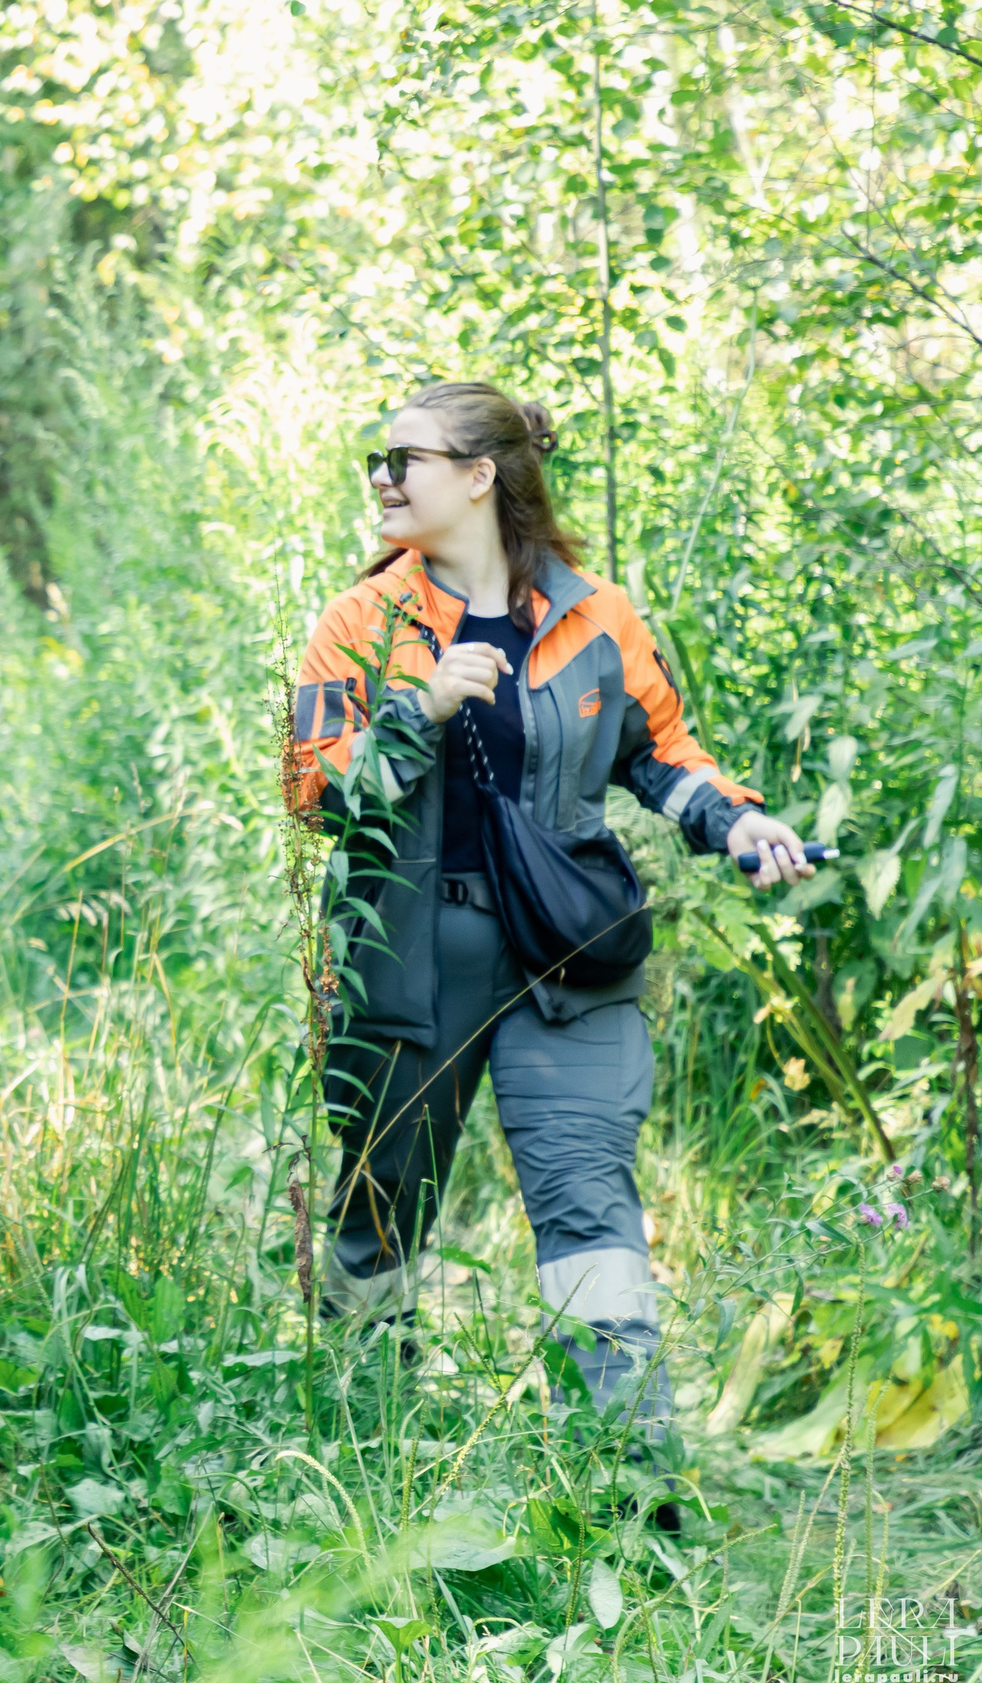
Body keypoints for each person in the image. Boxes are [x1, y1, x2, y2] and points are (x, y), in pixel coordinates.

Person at [288, 380, 815, 1443]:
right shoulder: (361, 622)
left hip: (567, 955)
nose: (383, 479)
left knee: (587, 1207)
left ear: (479, 478)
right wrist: (418, 709)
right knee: (379, 1210)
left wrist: (736, 823)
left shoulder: (593, 613)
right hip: (410, 958)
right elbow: (313, 791)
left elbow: (661, 751)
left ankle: (627, 1474)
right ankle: (359, 1461)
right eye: (378, 461)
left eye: (407, 460)